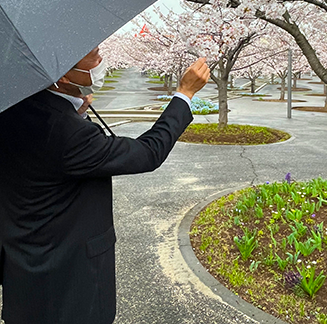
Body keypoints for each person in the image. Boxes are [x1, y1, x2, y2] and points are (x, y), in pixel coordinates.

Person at [0, 47, 210, 324]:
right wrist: (185, 93)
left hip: (25, 275)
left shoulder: (15, 108)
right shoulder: (65, 132)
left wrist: (76, 112)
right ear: (62, 76)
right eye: (95, 57)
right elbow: (148, 153)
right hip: (68, 287)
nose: (101, 63)